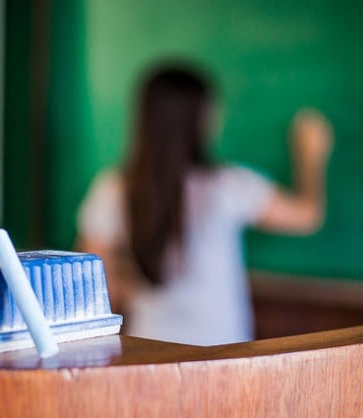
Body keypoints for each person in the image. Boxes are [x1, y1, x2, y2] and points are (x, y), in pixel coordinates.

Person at [76, 64, 333, 345]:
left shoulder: (112, 187)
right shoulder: (228, 186)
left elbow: (92, 287)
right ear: (202, 119)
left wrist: (129, 279)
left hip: (147, 350)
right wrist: (310, 153)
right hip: (222, 352)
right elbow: (308, 215)